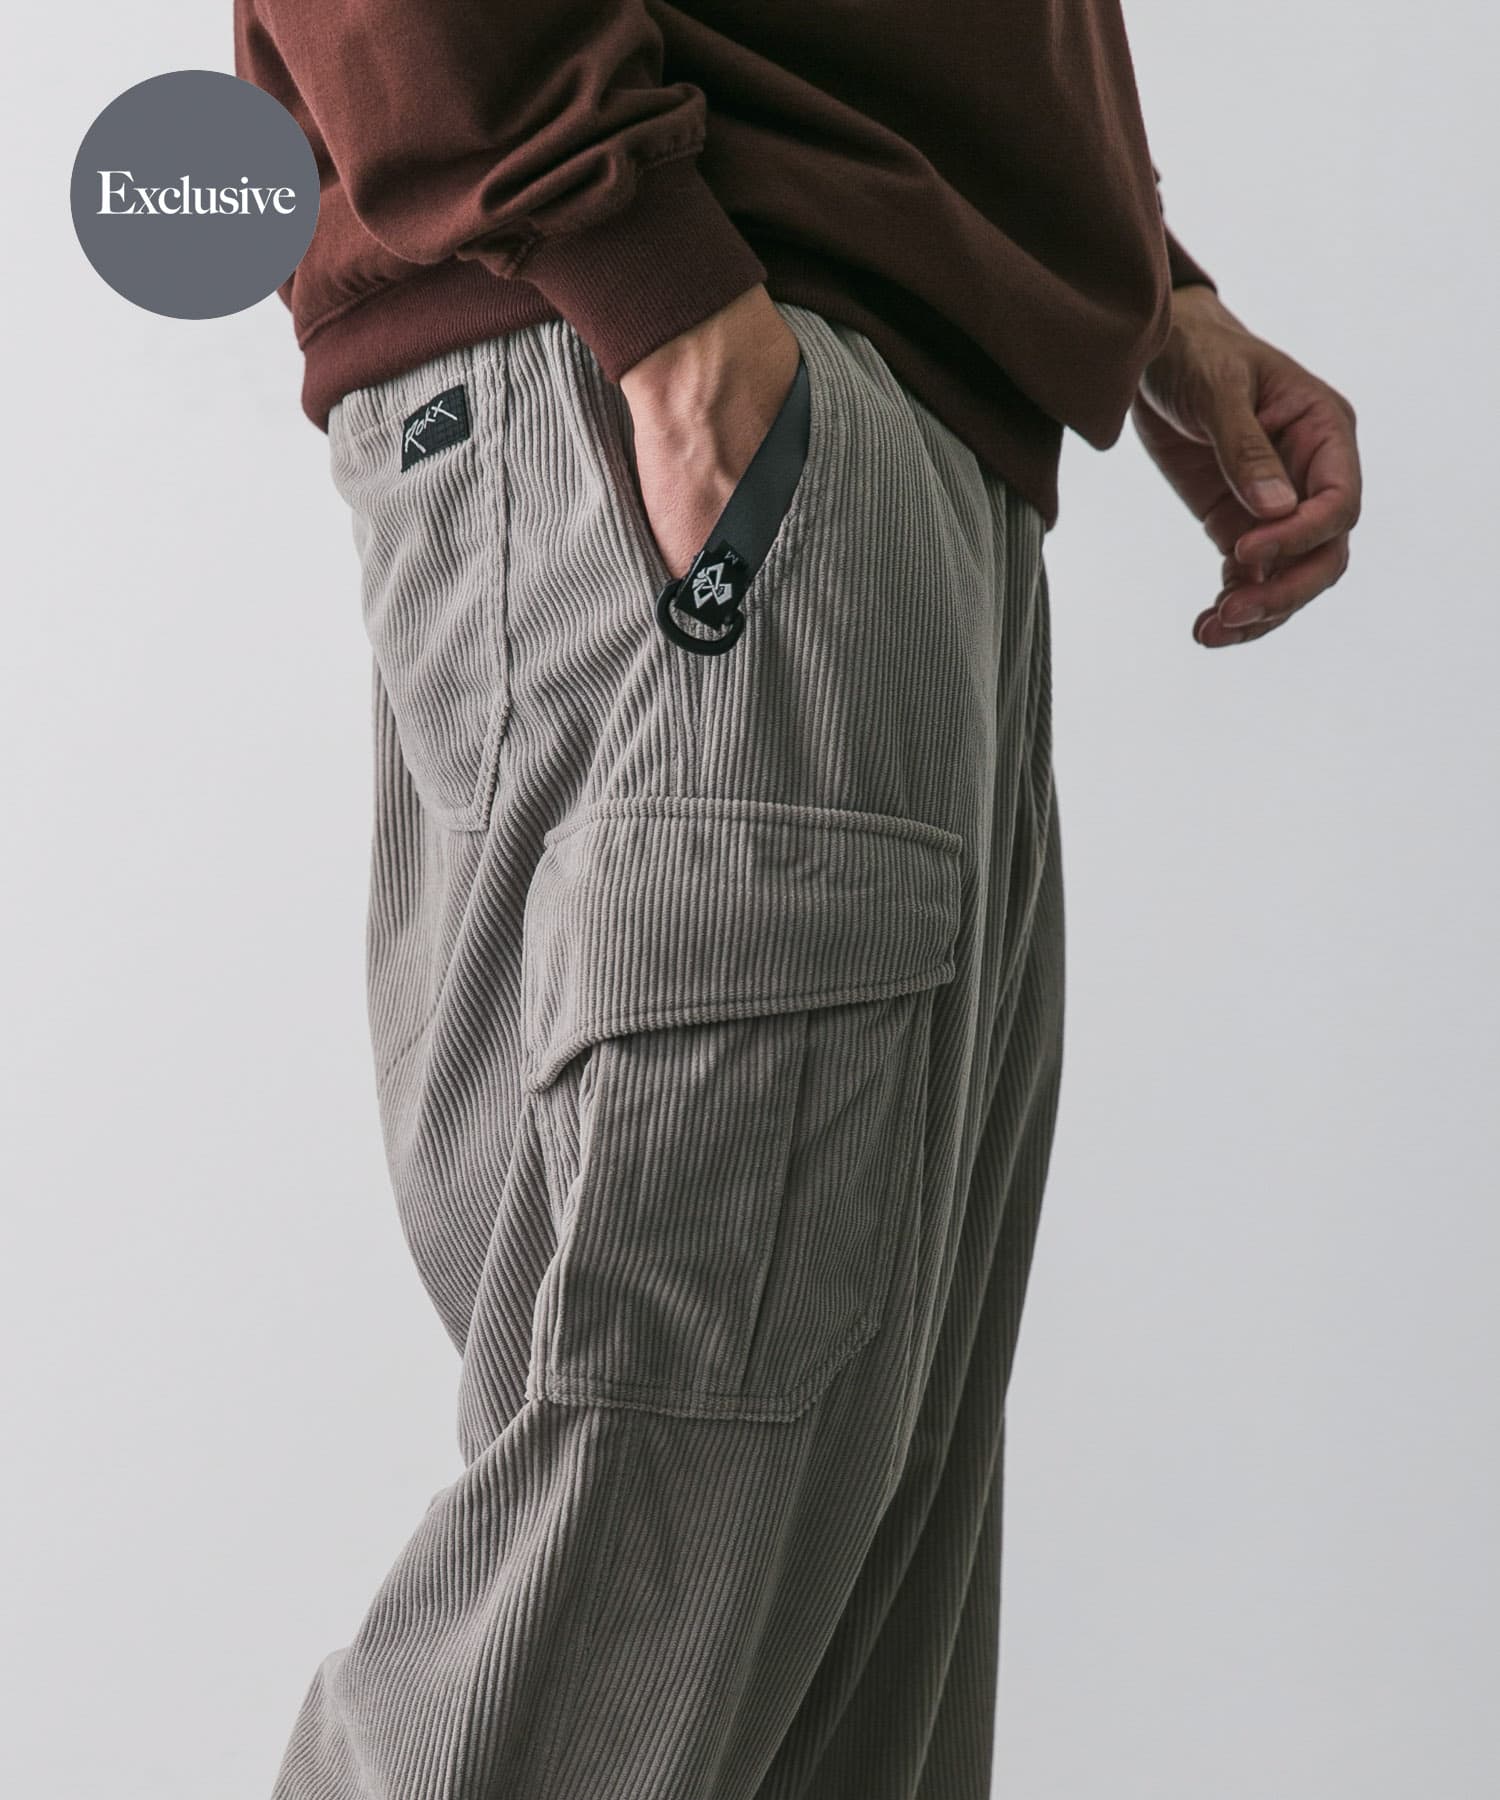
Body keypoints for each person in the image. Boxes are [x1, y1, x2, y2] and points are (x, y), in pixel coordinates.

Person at [234, 4, 1363, 1796]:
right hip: (684, 342)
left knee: (826, 1671)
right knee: (660, 1528)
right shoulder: (676, 308)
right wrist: (649, 280)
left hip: (867, 397)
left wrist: (1141, 282)